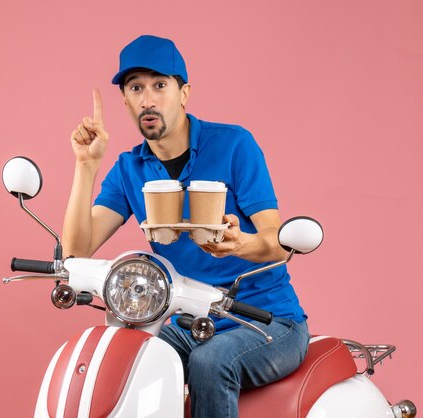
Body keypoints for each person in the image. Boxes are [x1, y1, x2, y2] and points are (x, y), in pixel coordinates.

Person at [62, 34, 310, 418]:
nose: (148, 99)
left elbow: (276, 244)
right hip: (190, 320)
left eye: (160, 85)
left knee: (211, 362)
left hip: (268, 321)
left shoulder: (234, 144)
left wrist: (239, 244)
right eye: (136, 88)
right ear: (125, 100)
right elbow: (77, 252)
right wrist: (86, 167)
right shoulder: (130, 168)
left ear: (184, 93)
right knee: (127, 354)